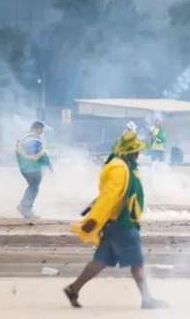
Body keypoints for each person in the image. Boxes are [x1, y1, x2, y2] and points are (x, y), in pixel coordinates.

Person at [65, 130, 166, 310]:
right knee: (137, 262)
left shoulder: (125, 166)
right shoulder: (120, 168)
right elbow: (110, 197)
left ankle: (73, 288)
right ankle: (147, 299)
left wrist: (95, 207)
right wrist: (93, 219)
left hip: (116, 224)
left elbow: (110, 194)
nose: (139, 153)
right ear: (130, 152)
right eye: (137, 151)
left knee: (100, 261)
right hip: (122, 224)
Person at [15, 121, 53, 219]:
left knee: (32, 187)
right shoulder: (35, 139)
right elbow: (41, 153)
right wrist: (49, 164)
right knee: (34, 187)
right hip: (33, 168)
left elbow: (18, 152)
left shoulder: (23, 137)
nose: (42, 131)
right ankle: (25, 208)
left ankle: (24, 206)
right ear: (37, 128)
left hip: (24, 168)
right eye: (41, 129)